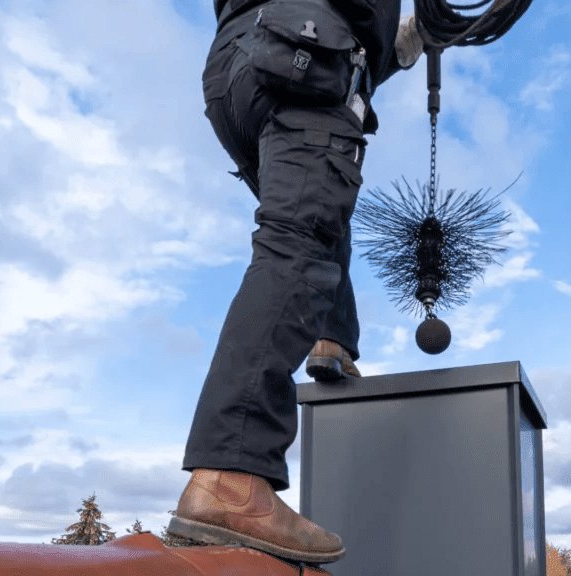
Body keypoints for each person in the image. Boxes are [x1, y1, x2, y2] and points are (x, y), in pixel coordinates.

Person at [167, 0, 424, 564]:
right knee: (298, 244)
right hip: (306, 53)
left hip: (240, 70)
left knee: (317, 217)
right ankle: (230, 476)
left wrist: (405, 42)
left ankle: (334, 339)